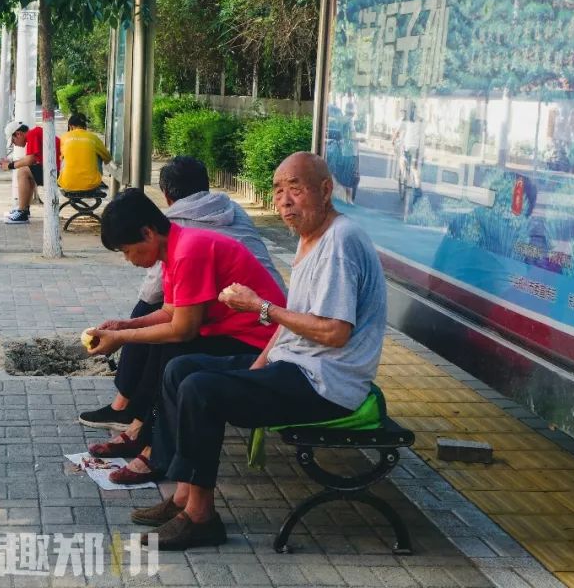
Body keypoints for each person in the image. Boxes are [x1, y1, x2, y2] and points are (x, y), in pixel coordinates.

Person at [129, 152, 386, 550]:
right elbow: (293, 321)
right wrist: (258, 367)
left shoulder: (340, 241)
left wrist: (260, 307)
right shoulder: (311, 239)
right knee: (181, 369)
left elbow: (335, 333)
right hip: (296, 365)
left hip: (327, 383)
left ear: (325, 190)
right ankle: (183, 496)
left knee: (200, 389)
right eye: (278, 190)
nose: (284, 201)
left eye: (295, 189)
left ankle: (200, 518)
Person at [83, 188, 286, 484]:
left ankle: (155, 452)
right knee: (157, 344)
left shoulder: (189, 250)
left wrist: (124, 338)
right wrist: (125, 326)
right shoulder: (176, 248)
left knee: (174, 354)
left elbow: (182, 329)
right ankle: (141, 431)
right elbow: (170, 312)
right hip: (231, 333)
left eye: (127, 250)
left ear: (148, 233)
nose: (128, 259)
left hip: (259, 344)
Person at [0, 120, 62, 225]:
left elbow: (30, 160)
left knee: (23, 172)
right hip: (58, 170)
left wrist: (10, 166)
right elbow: (31, 160)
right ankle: (23, 209)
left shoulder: (32, 135)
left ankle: (22, 212)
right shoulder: (35, 133)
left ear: (18, 134)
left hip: (58, 172)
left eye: (13, 141)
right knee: (28, 171)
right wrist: (12, 163)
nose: (14, 144)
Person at [58, 113, 111, 193]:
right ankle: (96, 179)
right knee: (98, 153)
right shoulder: (93, 137)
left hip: (67, 183)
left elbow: (59, 157)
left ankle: (68, 177)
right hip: (92, 184)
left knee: (64, 156)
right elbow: (107, 157)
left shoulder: (64, 137)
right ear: (85, 125)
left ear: (70, 126)